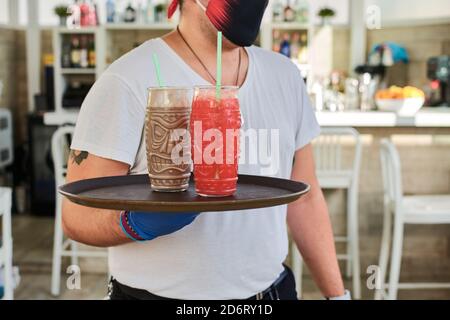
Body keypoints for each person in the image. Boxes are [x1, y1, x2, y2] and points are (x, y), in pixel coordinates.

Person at [64, 0, 350, 300]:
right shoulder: (127, 79)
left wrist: (337, 296)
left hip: (270, 294)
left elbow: (306, 200)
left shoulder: (284, 76)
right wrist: (133, 224)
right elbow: (75, 215)